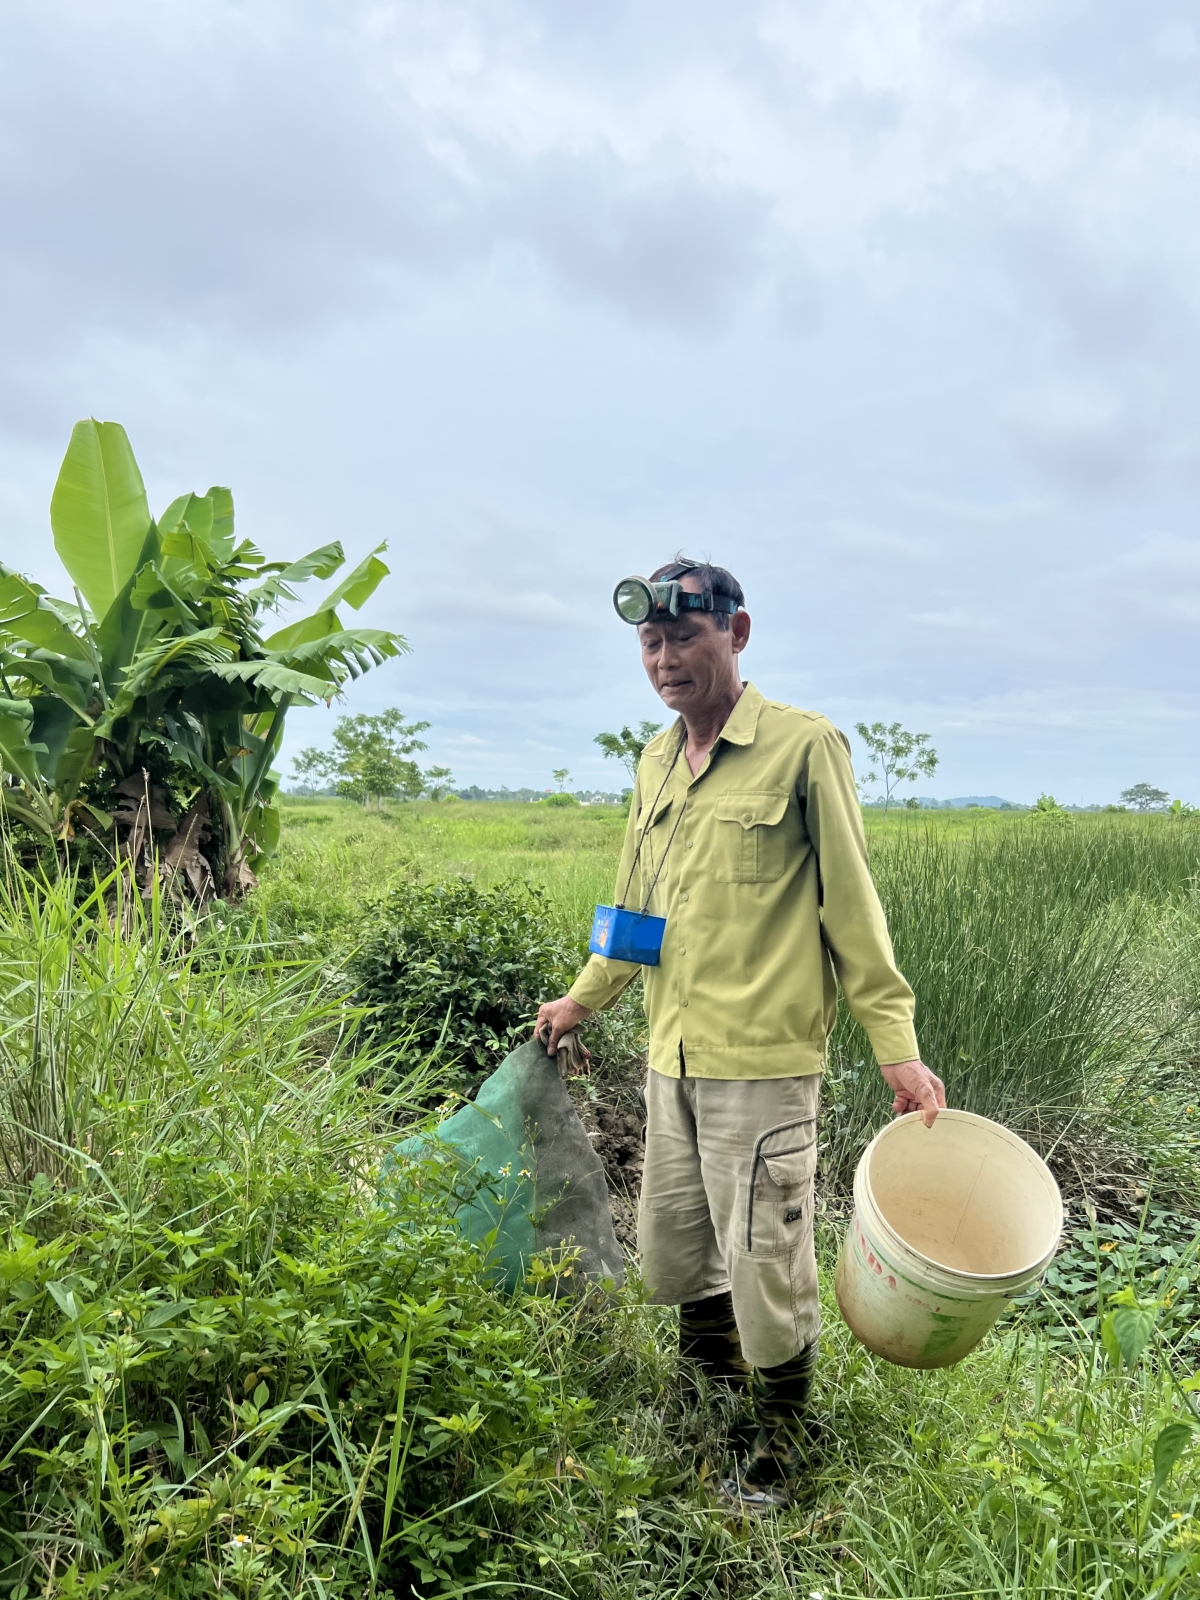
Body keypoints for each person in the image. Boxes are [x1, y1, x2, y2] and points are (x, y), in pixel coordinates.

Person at [535, 557, 946, 1510]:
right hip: (668, 1055)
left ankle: (782, 1437)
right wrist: (583, 997)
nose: (668, 658)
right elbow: (635, 907)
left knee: (766, 1256)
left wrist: (898, 1046)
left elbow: (855, 909)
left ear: (738, 633)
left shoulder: (805, 748)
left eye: (686, 637)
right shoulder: (652, 760)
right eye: (651, 643)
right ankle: (711, 1396)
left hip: (762, 1065)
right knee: (677, 1246)